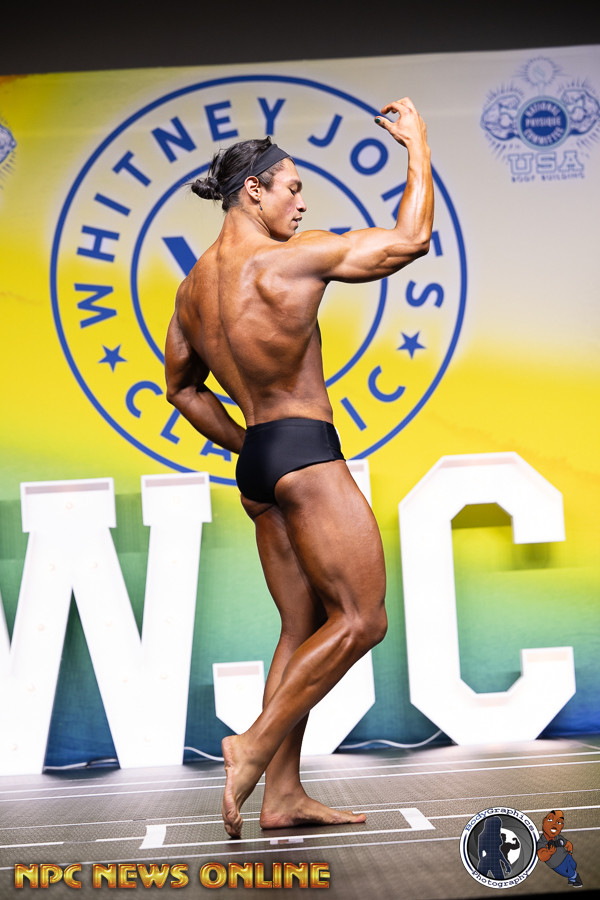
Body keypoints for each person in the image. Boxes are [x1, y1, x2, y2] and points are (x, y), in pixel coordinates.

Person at [165, 97, 434, 838]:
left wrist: (251, 445)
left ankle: (282, 795)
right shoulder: (291, 258)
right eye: (291, 188)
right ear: (253, 190)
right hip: (305, 454)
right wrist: (416, 144)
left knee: (302, 625)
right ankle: (252, 746)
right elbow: (411, 238)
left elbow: (182, 390)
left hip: (260, 464)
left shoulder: (192, 289)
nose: (301, 203)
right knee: (363, 619)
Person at [537, 810, 583, 888]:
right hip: (557, 864)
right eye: (550, 819)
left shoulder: (558, 837)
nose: (554, 824)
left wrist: (570, 852)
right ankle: (576, 878)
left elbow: (567, 844)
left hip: (566, 856)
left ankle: (571, 879)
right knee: (569, 873)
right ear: (544, 821)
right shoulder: (542, 842)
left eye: (559, 822)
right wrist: (549, 853)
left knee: (573, 865)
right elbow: (541, 856)